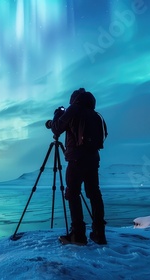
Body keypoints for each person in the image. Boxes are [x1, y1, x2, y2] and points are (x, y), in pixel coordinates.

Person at [49, 88, 108, 245]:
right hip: (93, 159)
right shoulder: (94, 114)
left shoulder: (73, 110)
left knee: (73, 194)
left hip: (76, 159)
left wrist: (57, 114)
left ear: (74, 100)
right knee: (94, 194)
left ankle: (78, 235)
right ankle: (99, 234)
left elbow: (56, 128)